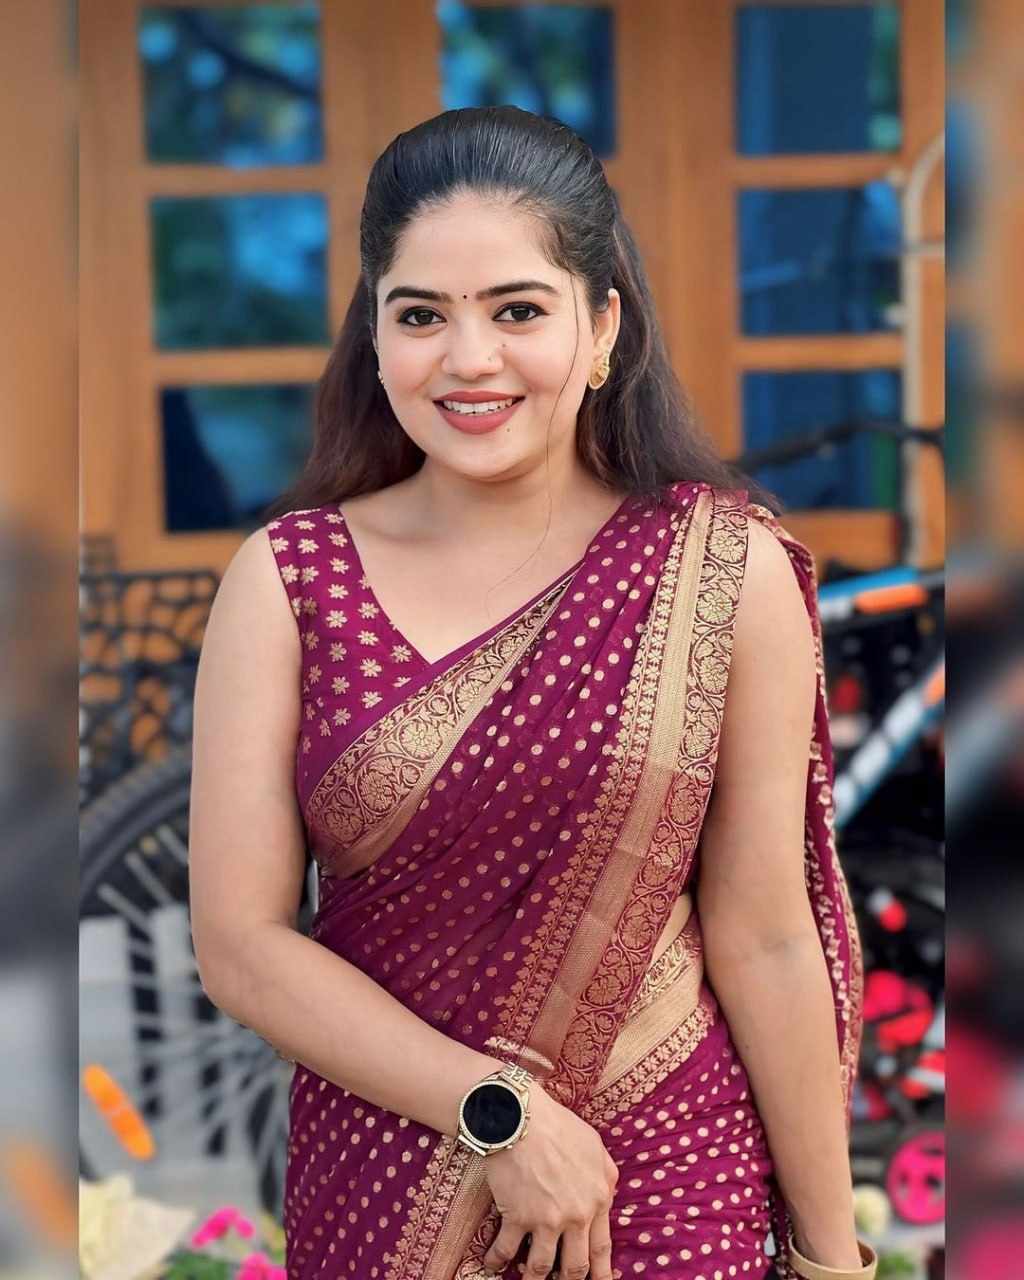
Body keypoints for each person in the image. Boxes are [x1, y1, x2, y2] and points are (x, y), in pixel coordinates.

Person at [189, 106, 877, 1280]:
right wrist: (497, 1112)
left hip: (668, 1180)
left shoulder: (721, 572)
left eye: (517, 310)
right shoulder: (291, 580)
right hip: (391, 1182)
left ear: (601, 326)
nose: (469, 359)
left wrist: (828, 1253)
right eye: (421, 315)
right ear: (375, 338)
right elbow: (241, 944)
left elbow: (764, 932)